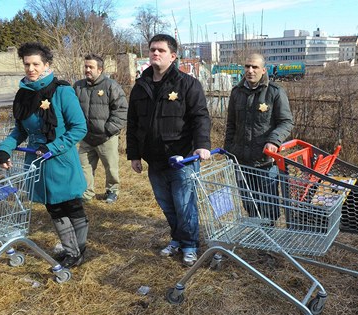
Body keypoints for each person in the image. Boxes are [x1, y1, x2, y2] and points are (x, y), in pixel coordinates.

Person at [0, 42, 89, 269]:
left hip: (61, 160)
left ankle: (78, 250)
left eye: (36, 64)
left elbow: (79, 128)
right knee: (53, 207)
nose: (31, 69)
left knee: (72, 205)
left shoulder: (62, 91)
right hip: (37, 163)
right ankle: (72, 251)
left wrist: (53, 147)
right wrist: (5, 148)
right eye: (27, 64)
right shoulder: (23, 95)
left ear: (46, 64)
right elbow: (20, 130)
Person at [126, 34, 211, 267]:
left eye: (161, 50)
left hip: (182, 158)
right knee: (167, 204)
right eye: (152, 50)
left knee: (185, 205)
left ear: (172, 56)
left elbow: (200, 117)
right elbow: (132, 123)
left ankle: (190, 245)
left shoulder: (187, 84)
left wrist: (202, 145)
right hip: (154, 160)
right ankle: (177, 238)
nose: (155, 53)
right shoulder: (140, 87)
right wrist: (134, 154)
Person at [224, 53, 294, 222]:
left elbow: (286, 122)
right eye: (247, 66)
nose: (250, 70)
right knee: (249, 202)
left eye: (254, 67)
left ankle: (268, 240)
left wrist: (273, 140)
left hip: (265, 161)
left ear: (263, 70)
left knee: (268, 204)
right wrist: (229, 151)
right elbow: (231, 124)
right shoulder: (236, 93)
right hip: (240, 161)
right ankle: (256, 234)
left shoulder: (275, 92)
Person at [74, 54, 128, 203]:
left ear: (100, 69)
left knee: (111, 168)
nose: (87, 70)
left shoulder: (111, 86)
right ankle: (87, 193)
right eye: (86, 66)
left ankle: (112, 191)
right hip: (85, 137)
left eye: (91, 67)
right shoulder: (78, 86)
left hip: (106, 138)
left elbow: (122, 109)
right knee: (84, 167)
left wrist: (108, 130)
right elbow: (71, 109)